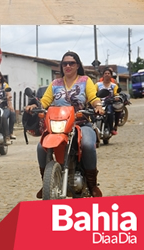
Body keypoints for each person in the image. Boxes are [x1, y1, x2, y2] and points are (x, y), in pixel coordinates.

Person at [25, 51, 105, 198]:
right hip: (58, 126)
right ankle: (46, 183)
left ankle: (92, 185)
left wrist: (98, 106)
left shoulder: (85, 80)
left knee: (87, 144)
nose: (67, 66)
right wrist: (34, 106)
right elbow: (45, 101)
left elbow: (93, 97)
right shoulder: (55, 84)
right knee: (41, 147)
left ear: (77, 65)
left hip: (81, 123)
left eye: (71, 63)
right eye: (64, 63)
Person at [96, 67, 121, 135]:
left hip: (109, 103)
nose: (107, 75)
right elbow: (93, 93)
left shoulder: (114, 85)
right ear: (103, 75)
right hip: (98, 103)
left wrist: (116, 97)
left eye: (108, 73)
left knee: (110, 112)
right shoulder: (97, 85)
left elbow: (116, 94)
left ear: (111, 75)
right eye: (105, 73)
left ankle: (111, 128)